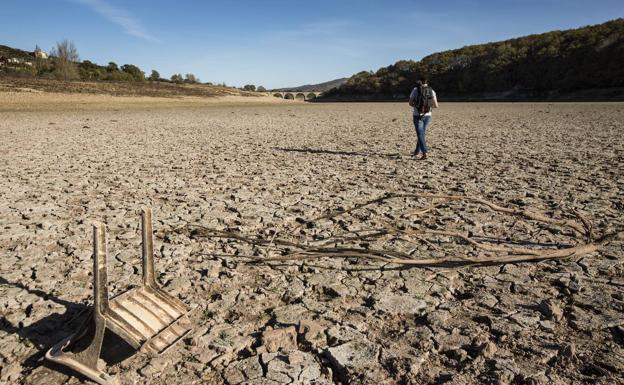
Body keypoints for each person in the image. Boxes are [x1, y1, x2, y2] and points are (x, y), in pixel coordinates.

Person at [408, 77, 438, 159]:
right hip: (428, 115)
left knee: (420, 134)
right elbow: (436, 105)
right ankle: (417, 152)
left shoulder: (415, 89)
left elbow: (410, 103)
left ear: (420, 81)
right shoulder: (431, 90)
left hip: (417, 115)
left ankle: (425, 152)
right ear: (427, 82)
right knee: (421, 134)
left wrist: (417, 106)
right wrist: (428, 107)